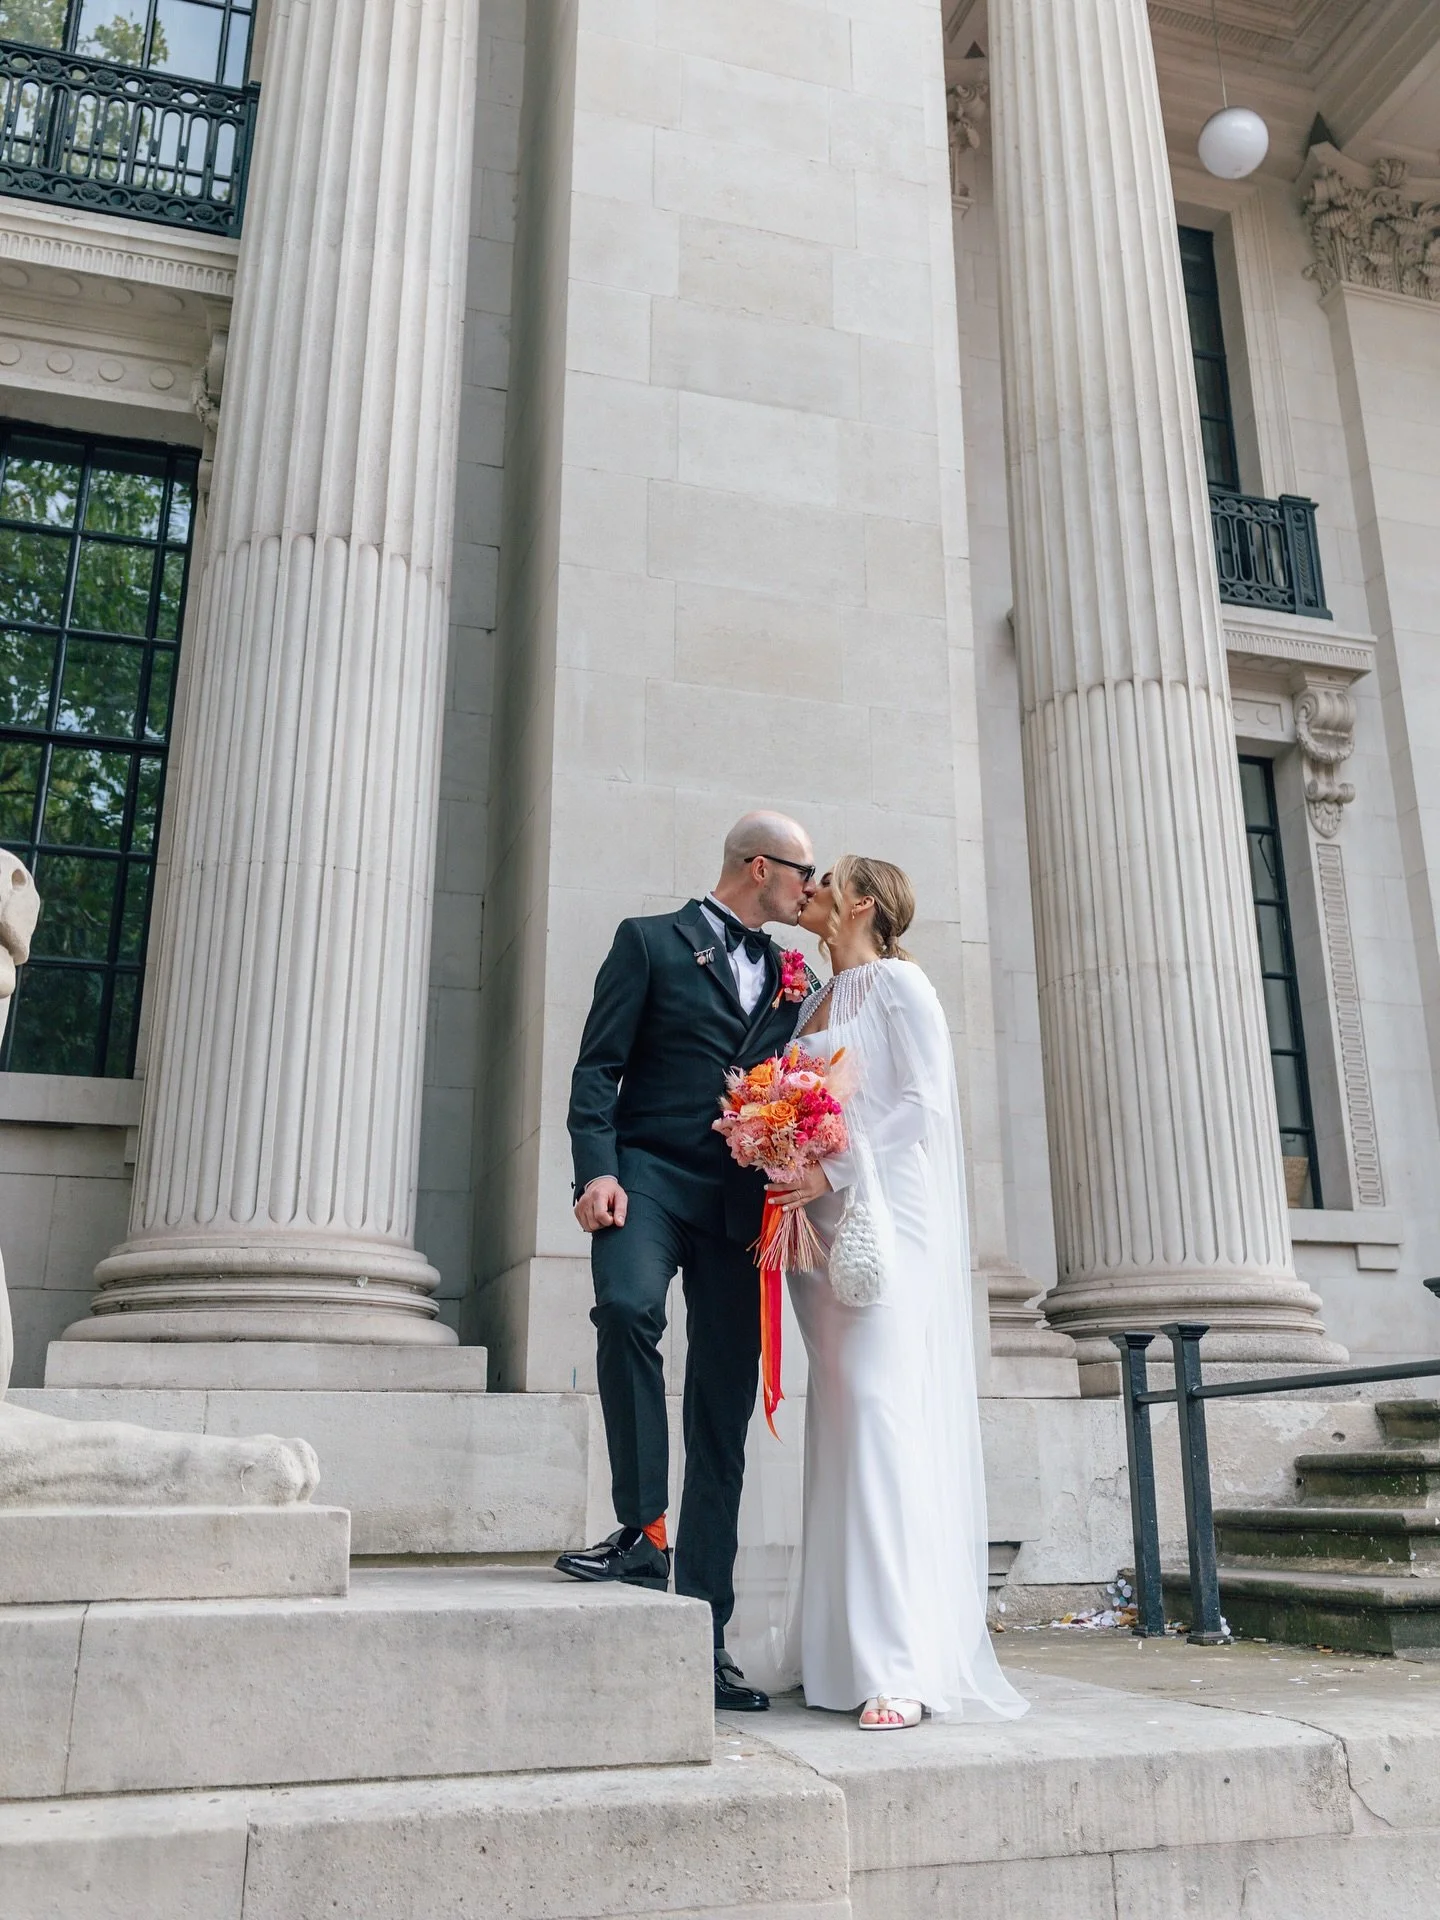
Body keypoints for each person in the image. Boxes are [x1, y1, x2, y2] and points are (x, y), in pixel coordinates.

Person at [558, 811, 818, 1711]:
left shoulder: (798, 976)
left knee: (721, 1407)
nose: (809, 890)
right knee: (627, 1310)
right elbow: (599, 1071)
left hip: (742, 1210)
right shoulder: (648, 944)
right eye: (802, 873)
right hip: (650, 1178)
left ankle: (705, 1635)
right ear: (760, 866)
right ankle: (642, 1526)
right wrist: (597, 1171)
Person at [772, 856, 1028, 1730]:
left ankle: (901, 1666)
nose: (806, 888)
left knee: (882, 1411)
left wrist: (834, 1161)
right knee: (839, 1418)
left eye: (825, 879)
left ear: (862, 904)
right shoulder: (809, 1003)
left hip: (889, 1218)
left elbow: (925, 1107)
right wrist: (779, 1149)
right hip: (818, 1227)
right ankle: (835, 1654)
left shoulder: (900, 989)